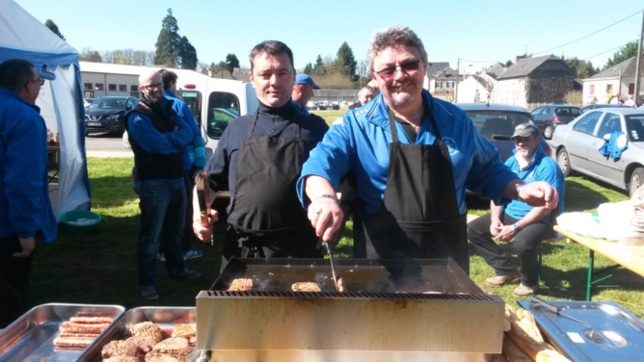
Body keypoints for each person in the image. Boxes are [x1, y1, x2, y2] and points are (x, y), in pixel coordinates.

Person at [297, 26, 558, 275]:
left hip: (447, 259)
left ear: (424, 65)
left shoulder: (456, 120)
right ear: (375, 77)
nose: (399, 75)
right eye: (388, 69)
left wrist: (521, 189)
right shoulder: (356, 124)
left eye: (409, 64)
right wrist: (323, 199)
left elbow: (489, 170)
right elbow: (320, 165)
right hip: (379, 261)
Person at [193, 41, 328, 266]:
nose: (274, 81)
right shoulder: (236, 128)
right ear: (252, 78)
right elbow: (206, 180)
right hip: (243, 250)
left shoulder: (315, 128)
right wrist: (199, 215)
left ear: (293, 76)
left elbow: (340, 180)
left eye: (282, 73)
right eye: (265, 74)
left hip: (300, 250)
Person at [125, 69, 200, 300]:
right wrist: (174, 139)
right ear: (141, 89)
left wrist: (173, 138)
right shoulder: (136, 116)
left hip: (177, 178)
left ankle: (177, 269)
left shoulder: (168, 108)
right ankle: (147, 283)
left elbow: (189, 133)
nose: (156, 89)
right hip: (154, 183)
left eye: (158, 84)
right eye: (150, 86)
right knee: (151, 236)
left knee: (176, 231)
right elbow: (156, 146)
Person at [467, 123, 564, 297]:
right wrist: (496, 219)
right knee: (472, 230)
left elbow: (545, 208)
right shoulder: (512, 161)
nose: (520, 143)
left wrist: (516, 227)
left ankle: (529, 282)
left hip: (541, 219)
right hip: (511, 213)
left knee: (522, 242)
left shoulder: (548, 166)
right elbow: (498, 190)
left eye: (525, 139)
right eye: (517, 139)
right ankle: (506, 270)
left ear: (536, 140)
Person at [0, 59, 57, 327]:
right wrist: (25, 232)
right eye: (39, 82)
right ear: (27, 85)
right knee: (10, 307)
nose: (39, 88)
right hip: (7, 228)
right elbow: (23, 180)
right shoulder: (24, 117)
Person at [158, 69, 205, 261]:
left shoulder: (143, 107)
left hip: (155, 168)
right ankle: (182, 250)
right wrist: (200, 164)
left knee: (160, 211)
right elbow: (194, 135)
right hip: (181, 166)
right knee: (182, 211)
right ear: (170, 84)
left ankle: (160, 250)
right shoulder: (178, 105)